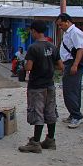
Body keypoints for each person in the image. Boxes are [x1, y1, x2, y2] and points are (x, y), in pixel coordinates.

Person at [19, 21, 62, 153]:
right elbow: (61, 66)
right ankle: (50, 140)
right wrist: (48, 67)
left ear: (34, 31)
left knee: (37, 112)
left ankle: (35, 143)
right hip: (50, 84)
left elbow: (29, 67)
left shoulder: (33, 48)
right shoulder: (52, 46)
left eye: (31, 31)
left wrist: (25, 65)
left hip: (37, 85)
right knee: (50, 111)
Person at [56, 12, 83, 128]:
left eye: (61, 25)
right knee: (73, 90)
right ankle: (74, 114)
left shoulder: (75, 32)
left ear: (67, 22)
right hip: (69, 63)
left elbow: (80, 49)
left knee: (70, 91)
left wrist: (75, 65)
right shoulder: (69, 32)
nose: (60, 27)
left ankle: (76, 116)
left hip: (72, 64)